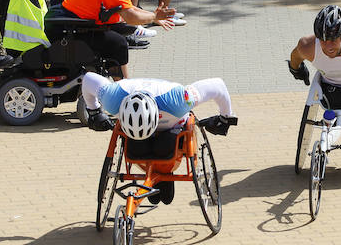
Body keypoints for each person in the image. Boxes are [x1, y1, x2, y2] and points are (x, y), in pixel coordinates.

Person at [81, 71, 235, 203]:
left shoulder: (179, 100)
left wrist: (226, 117)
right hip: (140, 126)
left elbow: (217, 85)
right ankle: (155, 170)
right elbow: (87, 79)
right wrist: (94, 111)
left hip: (171, 125)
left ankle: (163, 173)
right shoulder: (112, 99)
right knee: (136, 149)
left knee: (166, 146)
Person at [62, 0, 176, 78]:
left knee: (120, 34)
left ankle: (121, 81)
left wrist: (153, 17)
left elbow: (130, 8)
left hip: (77, 22)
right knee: (118, 43)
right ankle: (123, 87)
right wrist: (154, 16)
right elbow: (131, 17)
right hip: (76, 27)